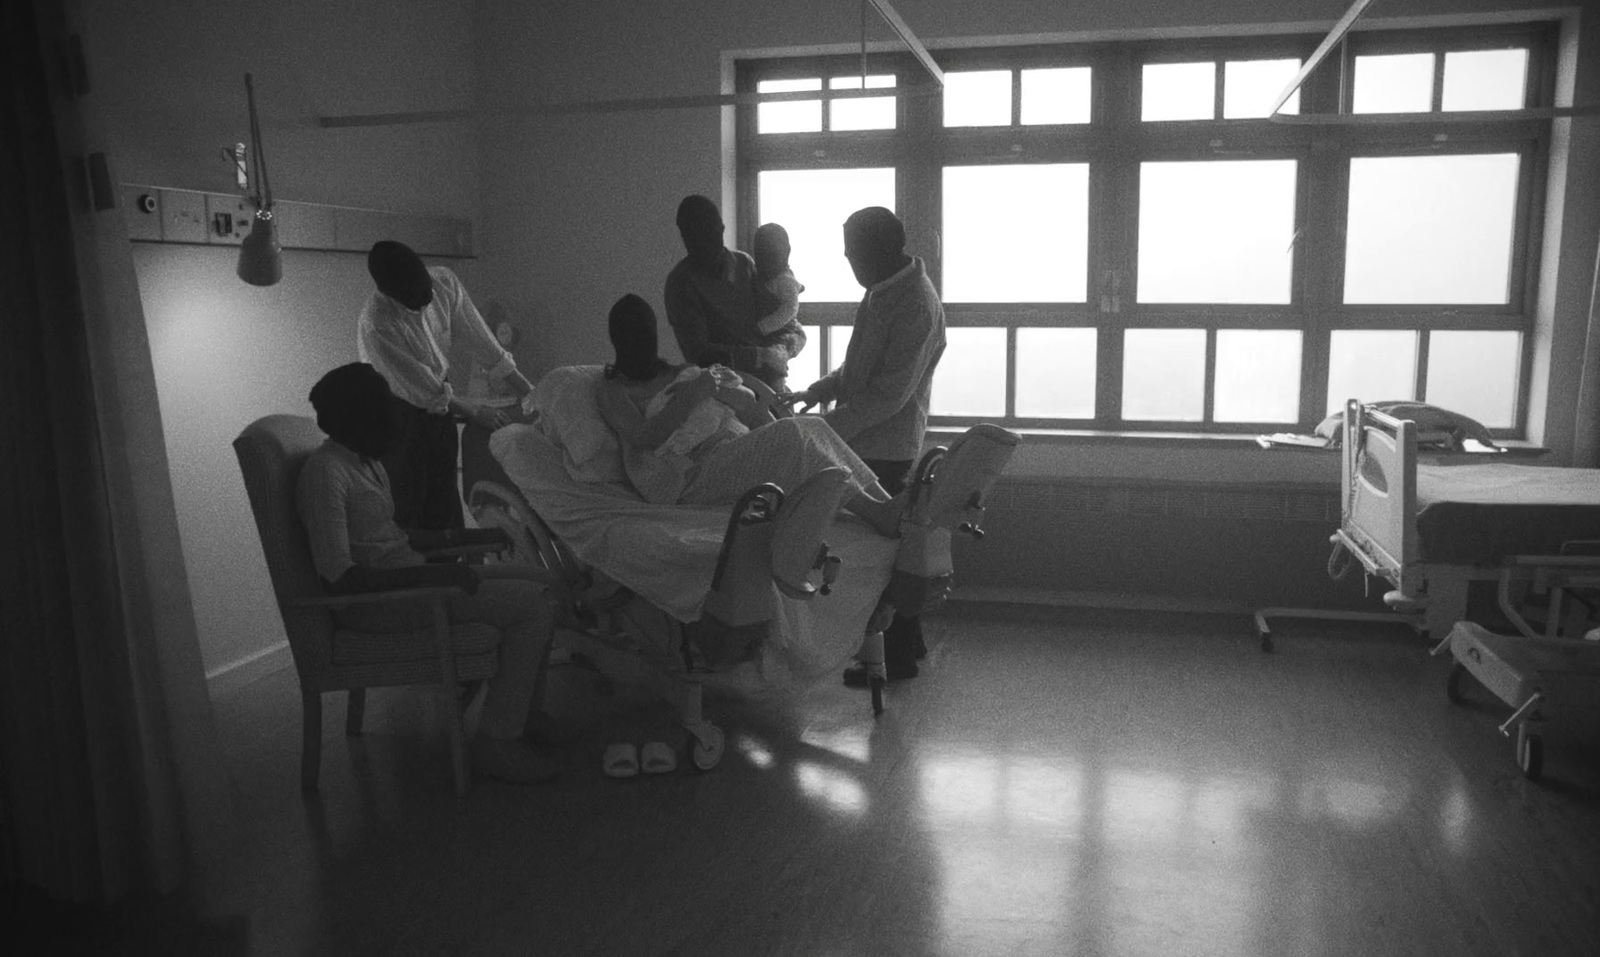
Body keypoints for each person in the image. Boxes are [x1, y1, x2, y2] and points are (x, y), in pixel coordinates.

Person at [296, 362, 560, 784]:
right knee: (533, 608)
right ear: (357, 415)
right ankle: (496, 740)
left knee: (548, 585)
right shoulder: (325, 473)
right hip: (380, 607)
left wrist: (464, 539)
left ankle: (525, 712)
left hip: (413, 583)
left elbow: (394, 538)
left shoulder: (364, 463)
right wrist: (437, 578)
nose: (394, 418)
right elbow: (340, 576)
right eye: (383, 408)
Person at [787, 207, 947, 686]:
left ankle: (893, 658)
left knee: (882, 555)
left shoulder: (915, 304)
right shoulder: (880, 292)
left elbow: (889, 395)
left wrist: (825, 432)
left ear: (886, 249)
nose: (848, 261)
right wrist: (820, 390)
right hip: (863, 437)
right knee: (892, 546)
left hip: (885, 445)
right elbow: (861, 370)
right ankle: (908, 645)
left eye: (855, 253)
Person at [594, 293, 906, 535]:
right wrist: (693, 395)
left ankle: (886, 504)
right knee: (794, 437)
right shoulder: (615, 390)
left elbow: (745, 400)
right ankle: (879, 513)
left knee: (812, 426)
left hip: (728, 447)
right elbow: (642, 438)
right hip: (688, 476)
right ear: (620, 341)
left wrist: (715, 390)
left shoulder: (677, 371)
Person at [357, 240, 534, 531]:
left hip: (438, 402)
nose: (427, 301)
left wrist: (530, 392)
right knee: (410, 508)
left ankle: (454, 565)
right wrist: (475, 411)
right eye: (417, 300)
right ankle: (420, 572)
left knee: (445, 503)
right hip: (395, 411)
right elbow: (422, 390)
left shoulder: (443, 282)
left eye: (427, 292)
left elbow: (484, 343)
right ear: (390, 294)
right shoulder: (377, 324)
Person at [664, 195, 806, 391]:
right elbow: (698, 353)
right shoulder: (681, 283)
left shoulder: (744, 265)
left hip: (767, 381)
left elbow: (778, 315)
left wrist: (787, 344)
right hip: (721, 387)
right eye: (694, 238)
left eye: (710, 235)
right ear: (684, 237)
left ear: (721, 229)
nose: (704, 245)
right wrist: (759, 355)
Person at [752, 222, 804, 340]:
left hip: (782, 332)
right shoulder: (756, 276)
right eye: (760, 254)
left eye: (772, 254)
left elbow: (789, 309)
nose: (765, 261)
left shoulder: (786, 281)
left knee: (775, 354)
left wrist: (762, 327)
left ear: (787, 252)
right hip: (763, 334)